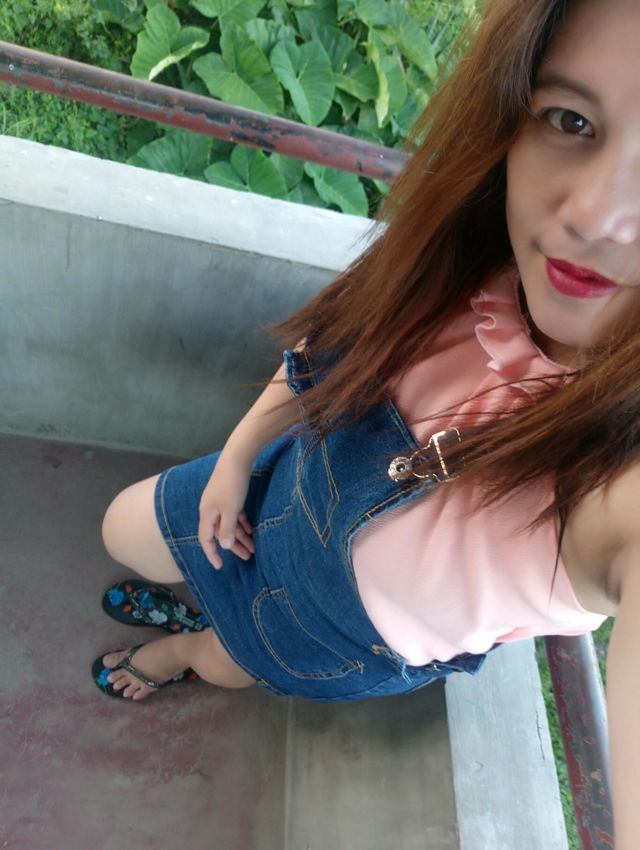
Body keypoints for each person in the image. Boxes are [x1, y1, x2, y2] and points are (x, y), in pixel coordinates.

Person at [92, 0, 640, 843]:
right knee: (123, 527)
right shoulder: (473, 265)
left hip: (328, 634)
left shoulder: (613, 484)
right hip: (274, 492)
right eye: (571, 119)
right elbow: (326, 354)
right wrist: (237, 457)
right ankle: (201, 622)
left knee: (227, 658)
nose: (594, 215)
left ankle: (178, 655)